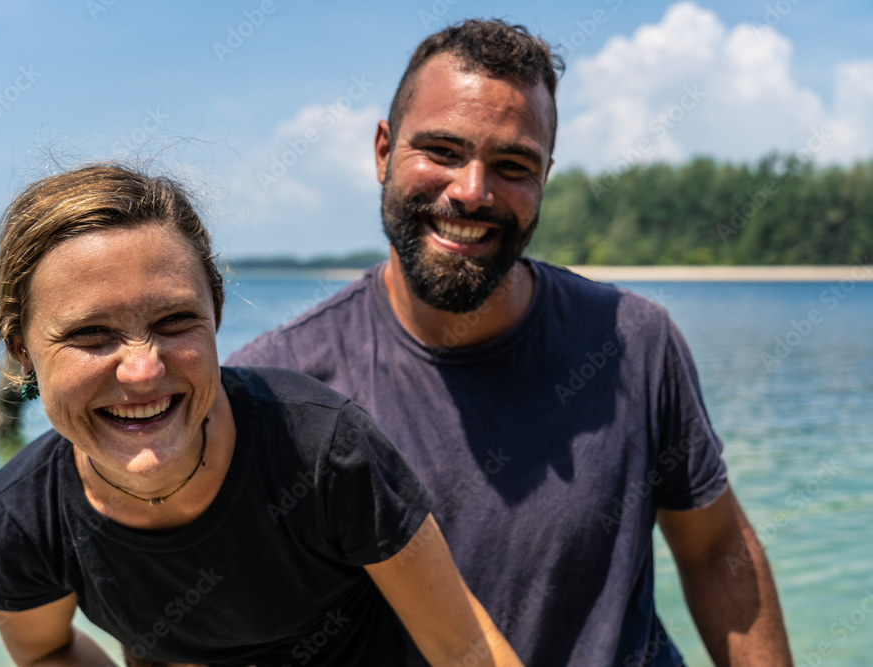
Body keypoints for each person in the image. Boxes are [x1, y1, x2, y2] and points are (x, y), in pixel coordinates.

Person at [227, 19, 793, 666]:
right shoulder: (275, 389)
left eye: (512, 165)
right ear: (383, 151)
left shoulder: (634, 342)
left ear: (544, 177)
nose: (472, 190)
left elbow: (714, 547)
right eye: (441, 150)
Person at [0, 163, 524, 667]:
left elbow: (463, 648)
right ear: (21, 351)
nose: (141, 370)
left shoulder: (321, 451)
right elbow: (46, 650)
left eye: (174, 321)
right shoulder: (24, 518)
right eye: (91, 334)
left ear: (216, 312)